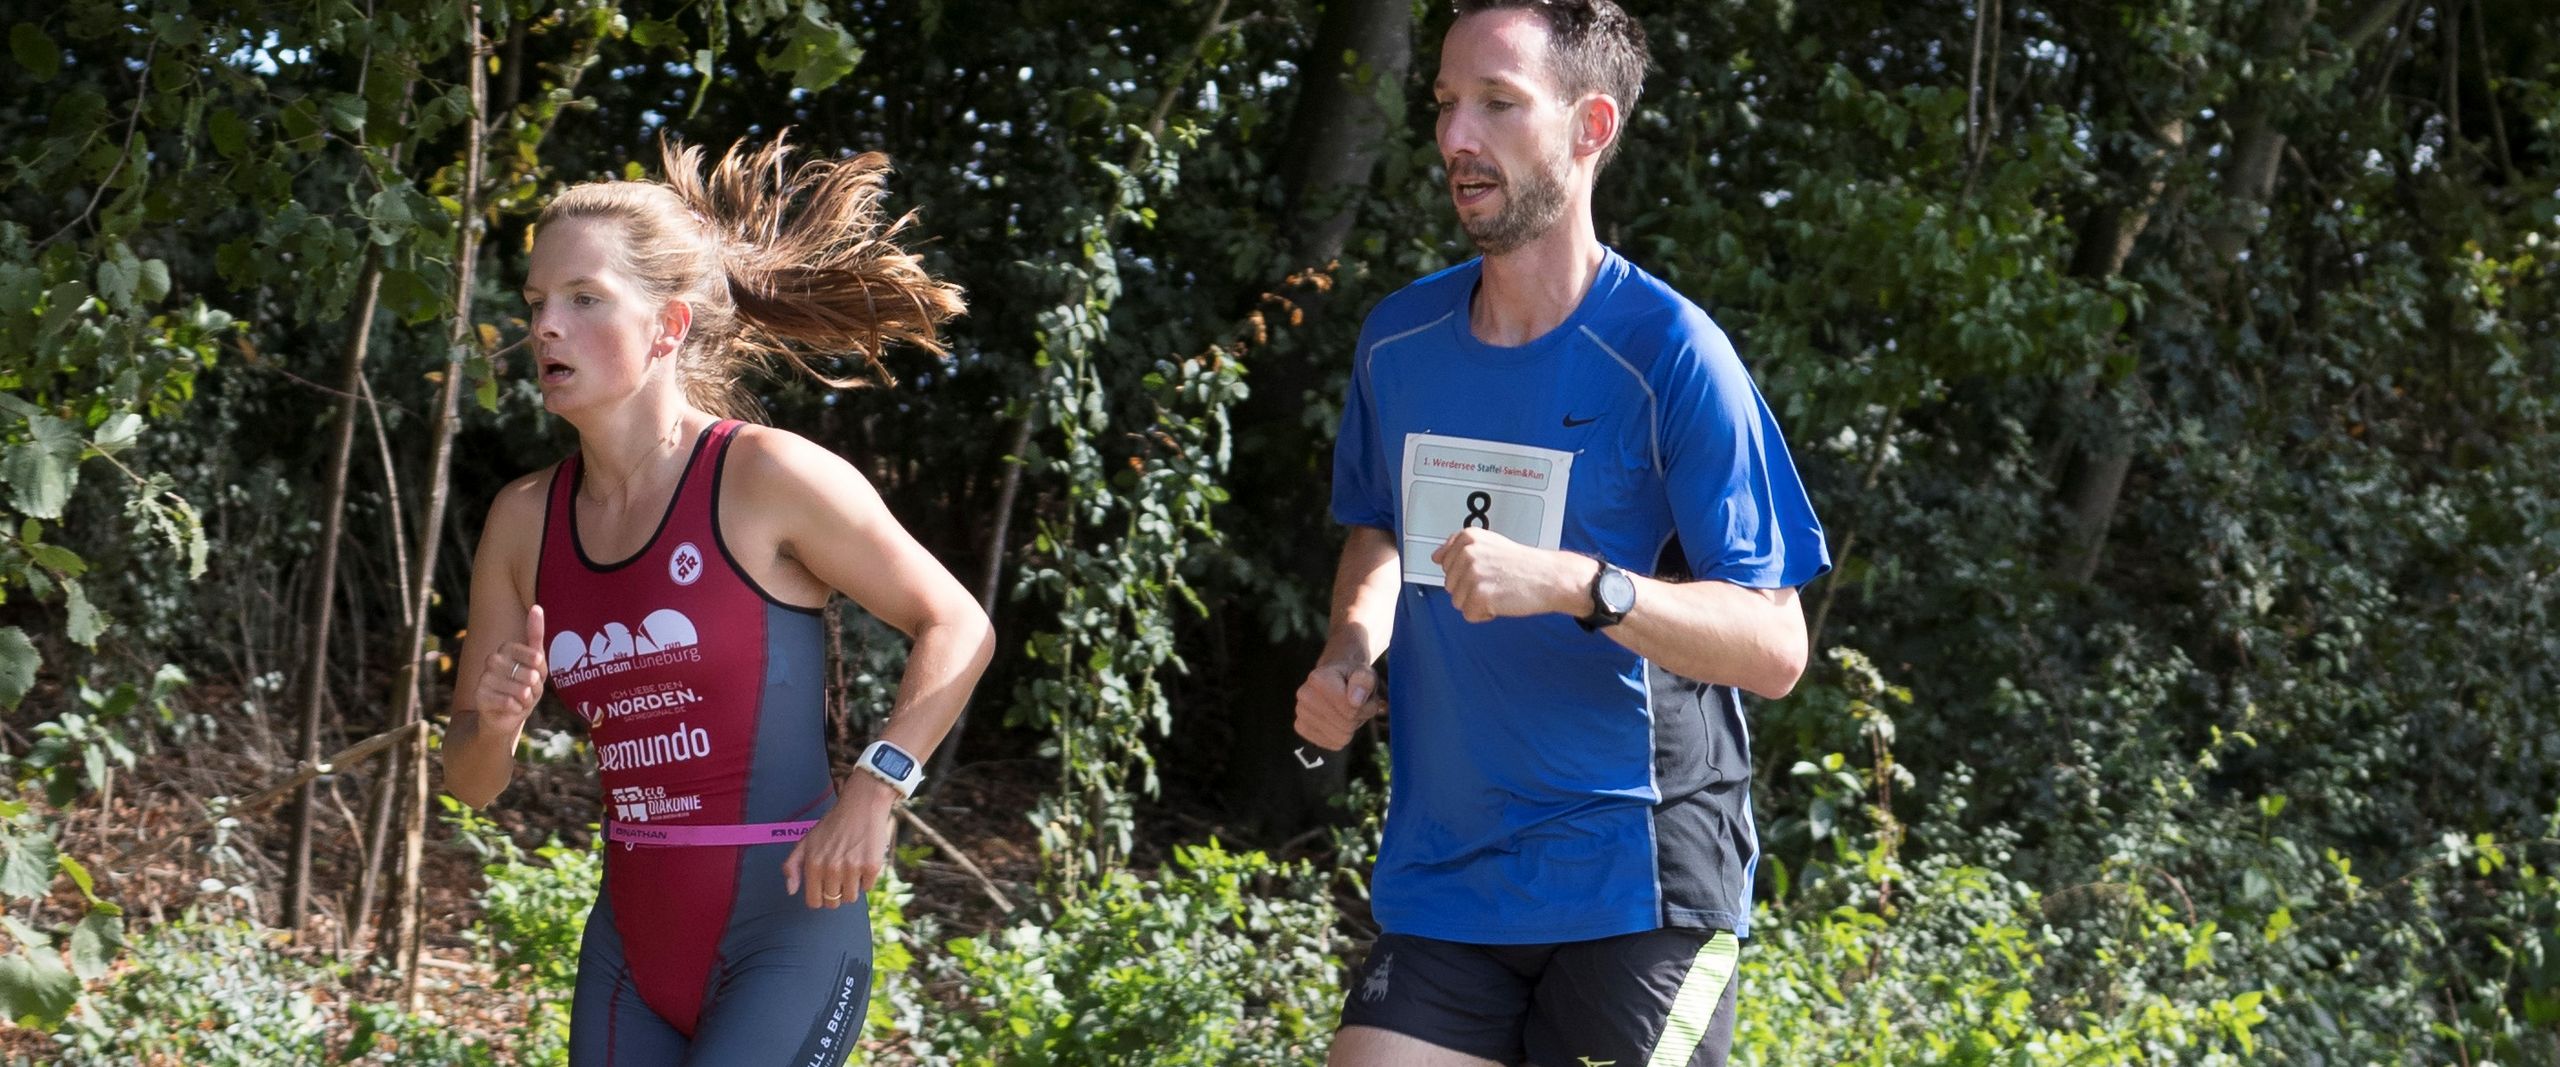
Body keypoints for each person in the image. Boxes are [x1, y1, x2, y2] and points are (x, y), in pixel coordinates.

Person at [1295, 2, 1830, 1064]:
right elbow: (1380, 531)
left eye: (1497, 104)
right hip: (1450, 872)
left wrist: (1585, 585)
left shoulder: (1671, 351)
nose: (1454, 137)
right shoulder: (1398, 341)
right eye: (1447, 103)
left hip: (1640, 881)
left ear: (1590, 127)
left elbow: (1775, 646)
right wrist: (1352, 648)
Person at [439, 134, 994, 1067]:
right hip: (630, 949)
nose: (544, 327)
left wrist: (875, 786)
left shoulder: (764, 475)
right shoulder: (523, 519)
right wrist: (493, 725)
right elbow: (470, 781)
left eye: (583, 299)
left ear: (669, 326)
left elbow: (959, 624)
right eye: (538, 302)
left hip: (788, 935)